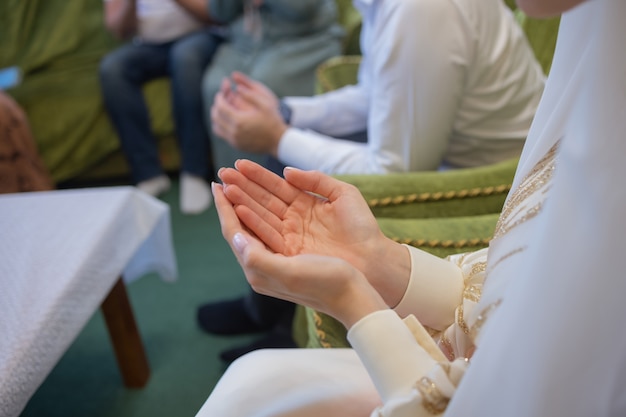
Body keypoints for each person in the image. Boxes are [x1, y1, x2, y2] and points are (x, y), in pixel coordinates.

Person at [195, 0, 626, 415]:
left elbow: (394, 166)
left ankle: (270, 319)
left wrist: (352, 300)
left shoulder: (422, 8)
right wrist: (379, 260)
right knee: (251, 379)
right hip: (438, 160)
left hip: (464, 176)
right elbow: (522, 291)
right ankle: (268, 317)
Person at [195, 0, 344, 361]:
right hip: (249, 43)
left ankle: (285, 315)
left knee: (279, 154)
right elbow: (221, 11)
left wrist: (279, 134)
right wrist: (285, 117)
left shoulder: (410, 14)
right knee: (218, 86)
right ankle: (261, 294)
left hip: (300, 43)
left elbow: (399, 160)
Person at [99, 0, 224, 214]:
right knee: (112, 69)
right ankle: (148, 173)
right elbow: (119, 30)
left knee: (185, 58)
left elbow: (218, 14)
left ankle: (194, 172)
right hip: (149, 45)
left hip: (200, 35)